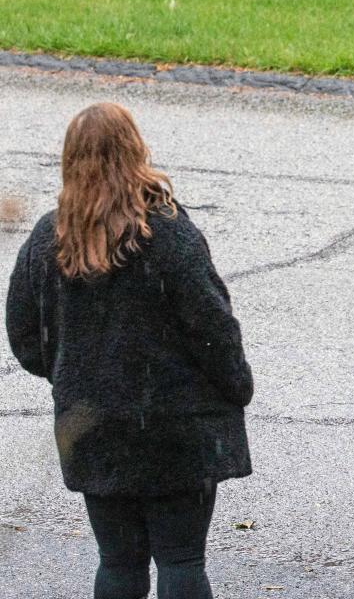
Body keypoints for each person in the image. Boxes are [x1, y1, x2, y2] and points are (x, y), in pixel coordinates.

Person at [6, 102, 254, 599]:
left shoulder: (48, 240)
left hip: (93, 427)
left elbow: (24, 336)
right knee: (182, 559)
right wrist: (237, 385)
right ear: (135, 152)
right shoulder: (168, 234)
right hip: (177, 429)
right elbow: (213, 327)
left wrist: (68, 373)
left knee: (117, 564)